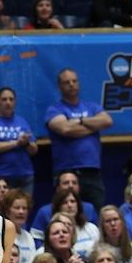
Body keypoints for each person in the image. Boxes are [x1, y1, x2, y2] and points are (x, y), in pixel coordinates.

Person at [45, 68, 112, 209]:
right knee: (65, 214)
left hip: (92, 172)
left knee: (96, 214)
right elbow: (65, 129)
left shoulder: (91, 106)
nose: (71, 84)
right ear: (59, 86)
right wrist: (92, 125)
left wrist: (79, 121)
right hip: (66, 173)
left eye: (74, 81)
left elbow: (107, 121)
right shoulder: (54, 109)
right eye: (66, 82)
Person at [0, 87, 37, 197]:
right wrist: (15, 143)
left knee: (22, 212)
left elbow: (33, 150)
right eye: (4, 99)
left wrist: (27, 143)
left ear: (15, 101)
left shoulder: (21, 121)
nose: (8, 102)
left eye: (11, 99)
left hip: (24, 177)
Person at [50, 186, 100, 258]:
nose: (70, 205)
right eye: (65, 202)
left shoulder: (91, 228)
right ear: (58, 207)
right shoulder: (55, 232)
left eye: (73, 201)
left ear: (78, 205)